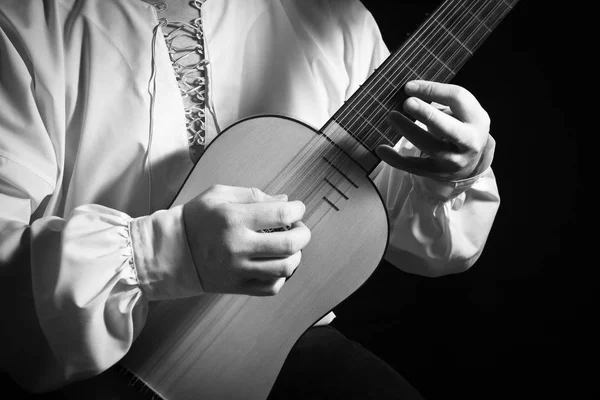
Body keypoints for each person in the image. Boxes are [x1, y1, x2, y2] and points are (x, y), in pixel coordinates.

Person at [0, 0, 500, 398]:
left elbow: (430, 248)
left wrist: (451, 173)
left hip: (274, 353)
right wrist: (164, 252)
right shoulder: (21, 21)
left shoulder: (339, 22)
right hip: (80, 354)